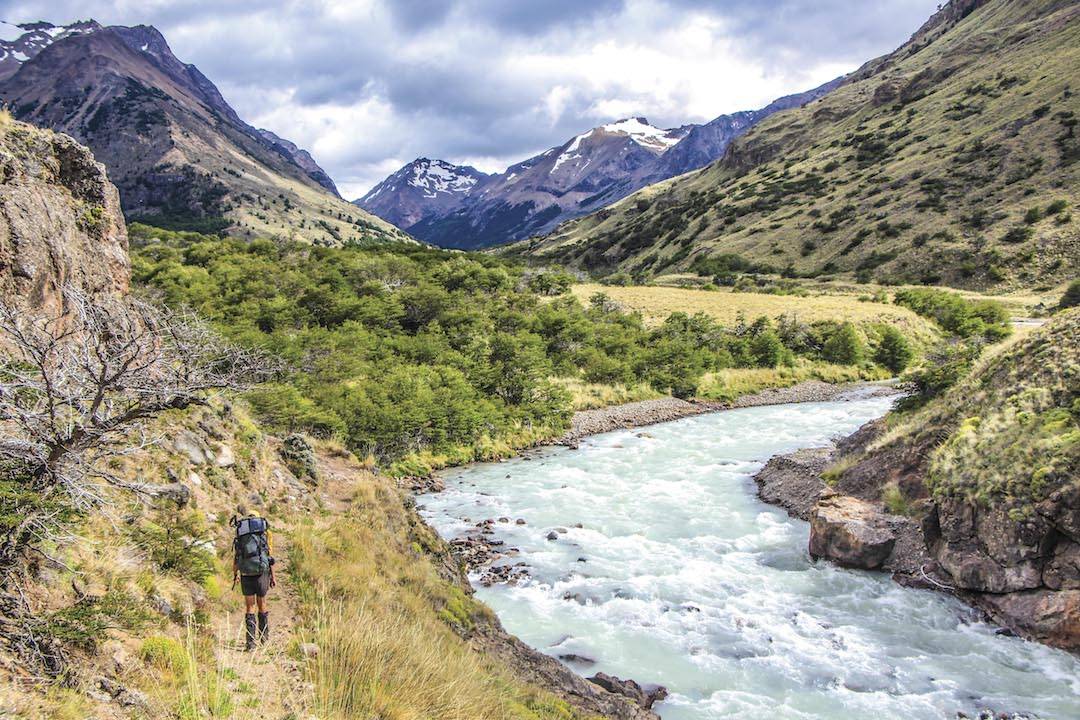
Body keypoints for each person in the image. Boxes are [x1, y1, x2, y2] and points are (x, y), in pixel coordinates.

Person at [231, 513, 276, 651]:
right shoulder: (265, 533)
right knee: (262, 604)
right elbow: (269, 556)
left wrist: (236, 574)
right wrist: (273, 577)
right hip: (261, 572)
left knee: (250, 607)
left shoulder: (242, 535)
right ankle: (264, 639)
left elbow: (236, 557)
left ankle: (250, 643)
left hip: (246, 572)